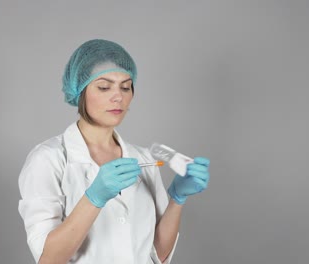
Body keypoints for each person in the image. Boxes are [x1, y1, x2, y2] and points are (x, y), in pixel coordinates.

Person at [18, 39, 210, 264]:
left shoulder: (142, 159)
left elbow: (158, 254)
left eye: (126, 87)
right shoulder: (48, 159)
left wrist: (177, 199)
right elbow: (48, 259)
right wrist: (93, 198)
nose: (118, 96)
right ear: (80, 91)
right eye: (104, 87)